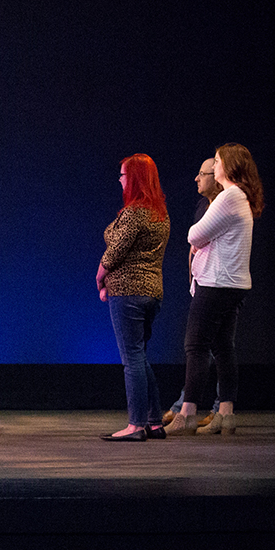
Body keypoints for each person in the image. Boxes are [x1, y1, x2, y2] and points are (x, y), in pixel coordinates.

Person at [166, 143, 264, 436]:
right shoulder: (240, 197)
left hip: (216, 283)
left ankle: (187, 413)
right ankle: (226, 413)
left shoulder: (229, 196)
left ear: (228, 167)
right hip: (231, 283)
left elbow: (194, 234)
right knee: (223, 348)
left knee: (196, 346)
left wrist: (199, 242)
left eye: (218, 161)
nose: (215, 165)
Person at [95, 154, 170, 441]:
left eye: (124, 175)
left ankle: (135, 425)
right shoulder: (159, 214)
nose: (120, 179)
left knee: (132, 360)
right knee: (140, 356)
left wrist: (100, 278)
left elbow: (114, 253)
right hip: (152, 293)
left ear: (135, 178)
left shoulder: (135, 212)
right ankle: (153, 421)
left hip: (128, 292)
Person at [163, 158, 223, 427]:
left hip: (218, 284)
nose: (196, 179)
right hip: (202, 283)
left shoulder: (226, 205)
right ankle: (207, 407)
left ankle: (193, 408)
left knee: (209, 347)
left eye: (202, 173)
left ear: (216, 176)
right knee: (210, 346)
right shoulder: (204, 205)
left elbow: (196, 238)